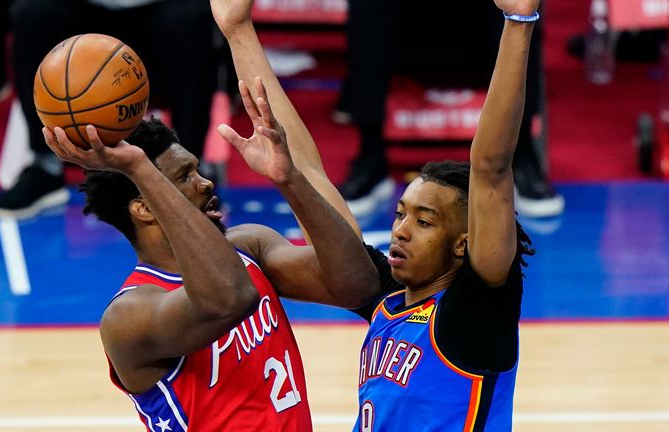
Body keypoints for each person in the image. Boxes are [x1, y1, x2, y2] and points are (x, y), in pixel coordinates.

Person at [213, 0, 536, 429]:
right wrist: (238, 30)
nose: (400, 231)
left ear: (464, 243)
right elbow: (308, 172)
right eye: (401, 214)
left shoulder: (475, 314)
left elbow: (492, 167)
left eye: (424, 222)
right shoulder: (387, 298)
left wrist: (518, 23)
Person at [42, 75, 379, 431]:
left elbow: (358, 285)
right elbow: (229, 298)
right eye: (185, 176)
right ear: (144, 208)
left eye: (197, 169)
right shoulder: (129, 317)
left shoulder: (250, 246)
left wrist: (289, 179)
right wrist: (139, 167)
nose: (206, 183)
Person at [0, 0, 217, 220]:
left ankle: (188, 171)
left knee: (192, 18)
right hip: (83, 16)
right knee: (33, 12)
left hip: (158, 12)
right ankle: (45, 166)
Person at [335, 0, 563, 218]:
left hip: (478, 18)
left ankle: (521, 154)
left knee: (517, 2)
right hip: (410, 19)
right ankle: (370, 153)